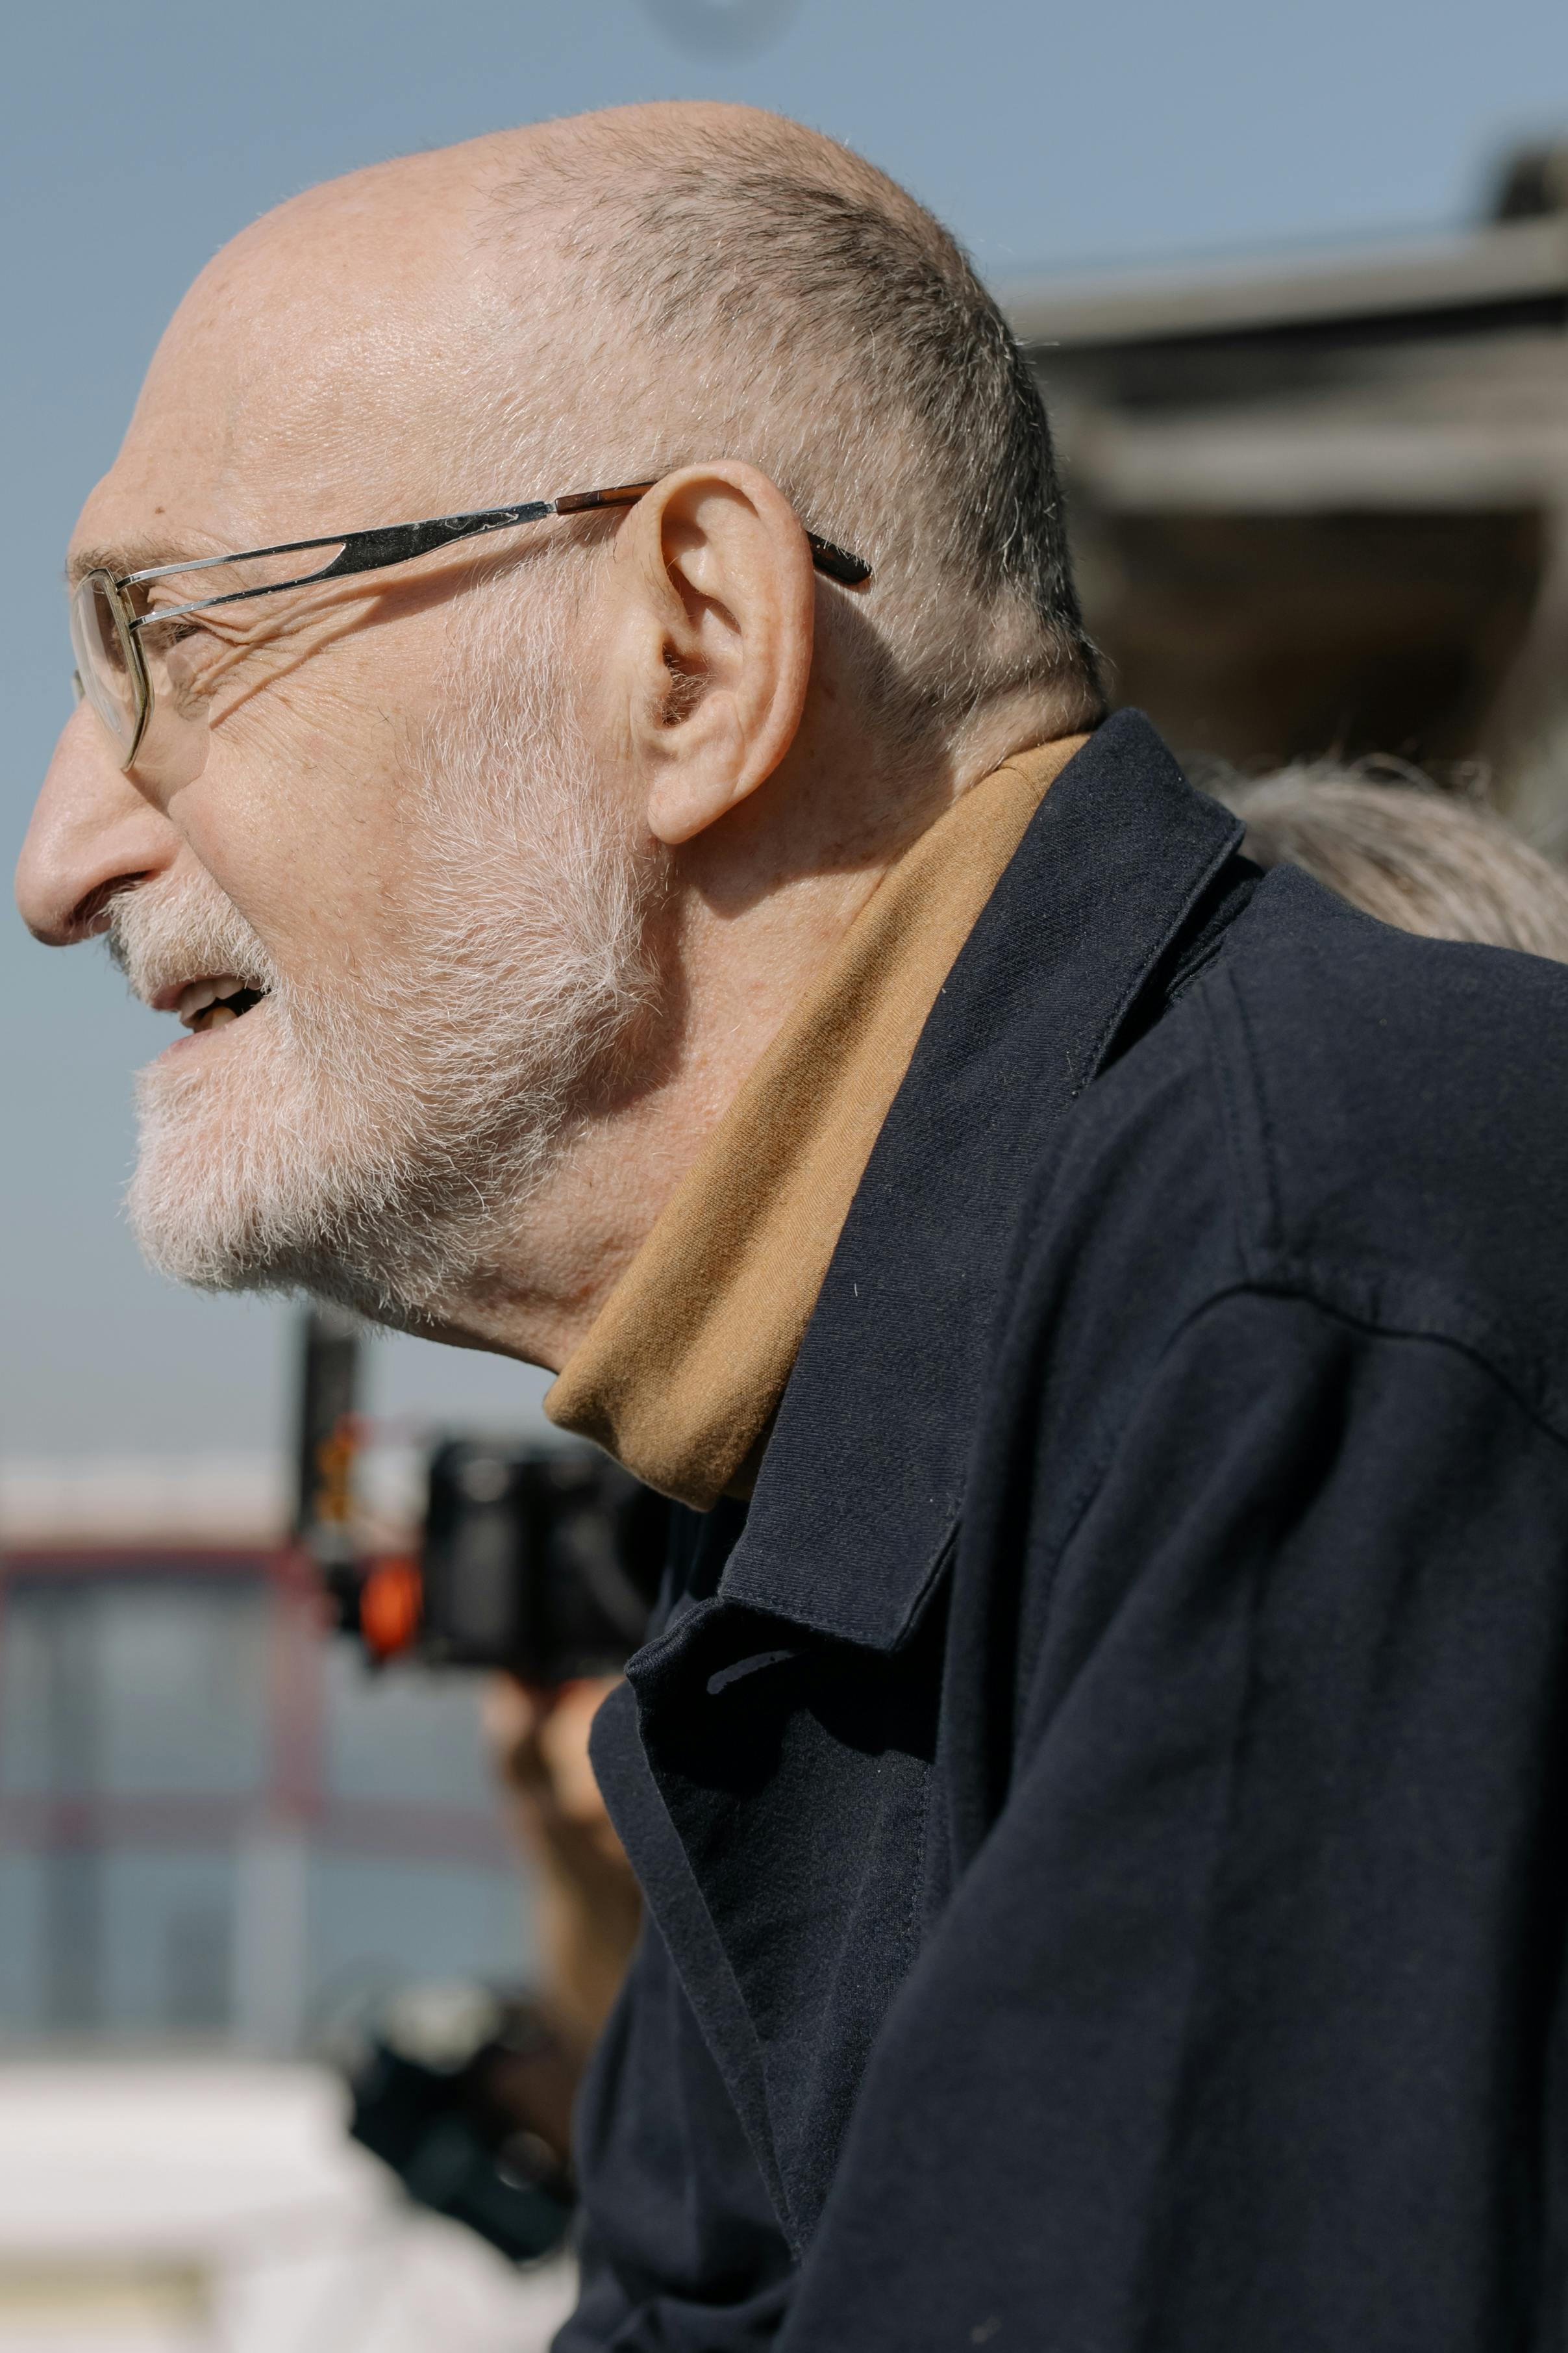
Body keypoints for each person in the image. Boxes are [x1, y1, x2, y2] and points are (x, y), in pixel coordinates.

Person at [16, 100, 1568, 2351]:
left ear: (694, 648)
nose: (61, 859)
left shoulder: (1315, 1294)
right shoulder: (835, 1459)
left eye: (162, 645)